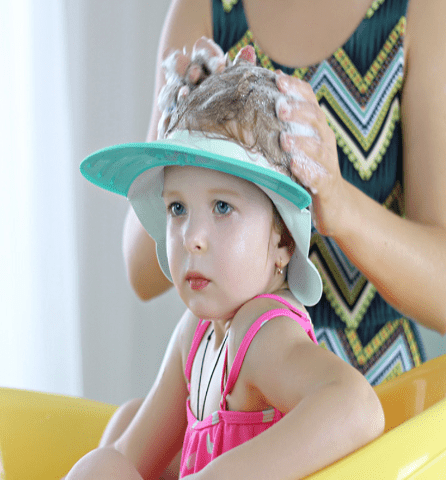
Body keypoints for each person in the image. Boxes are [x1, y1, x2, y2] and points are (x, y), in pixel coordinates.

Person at [68, 53, 384, 480]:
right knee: (118, 438)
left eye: (222, 207)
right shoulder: (195, 333)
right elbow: (129, 455)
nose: (191, 237)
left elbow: (358, 407)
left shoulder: (262, 332)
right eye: (177, 208)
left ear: (283, 240)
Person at [124, 0, 446, 386]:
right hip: (239, 384)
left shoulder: (422, 11)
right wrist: (179, 139)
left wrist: (340, 204)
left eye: (223, 205)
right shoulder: (203, 10)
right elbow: (141, 273)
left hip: (383, 393)